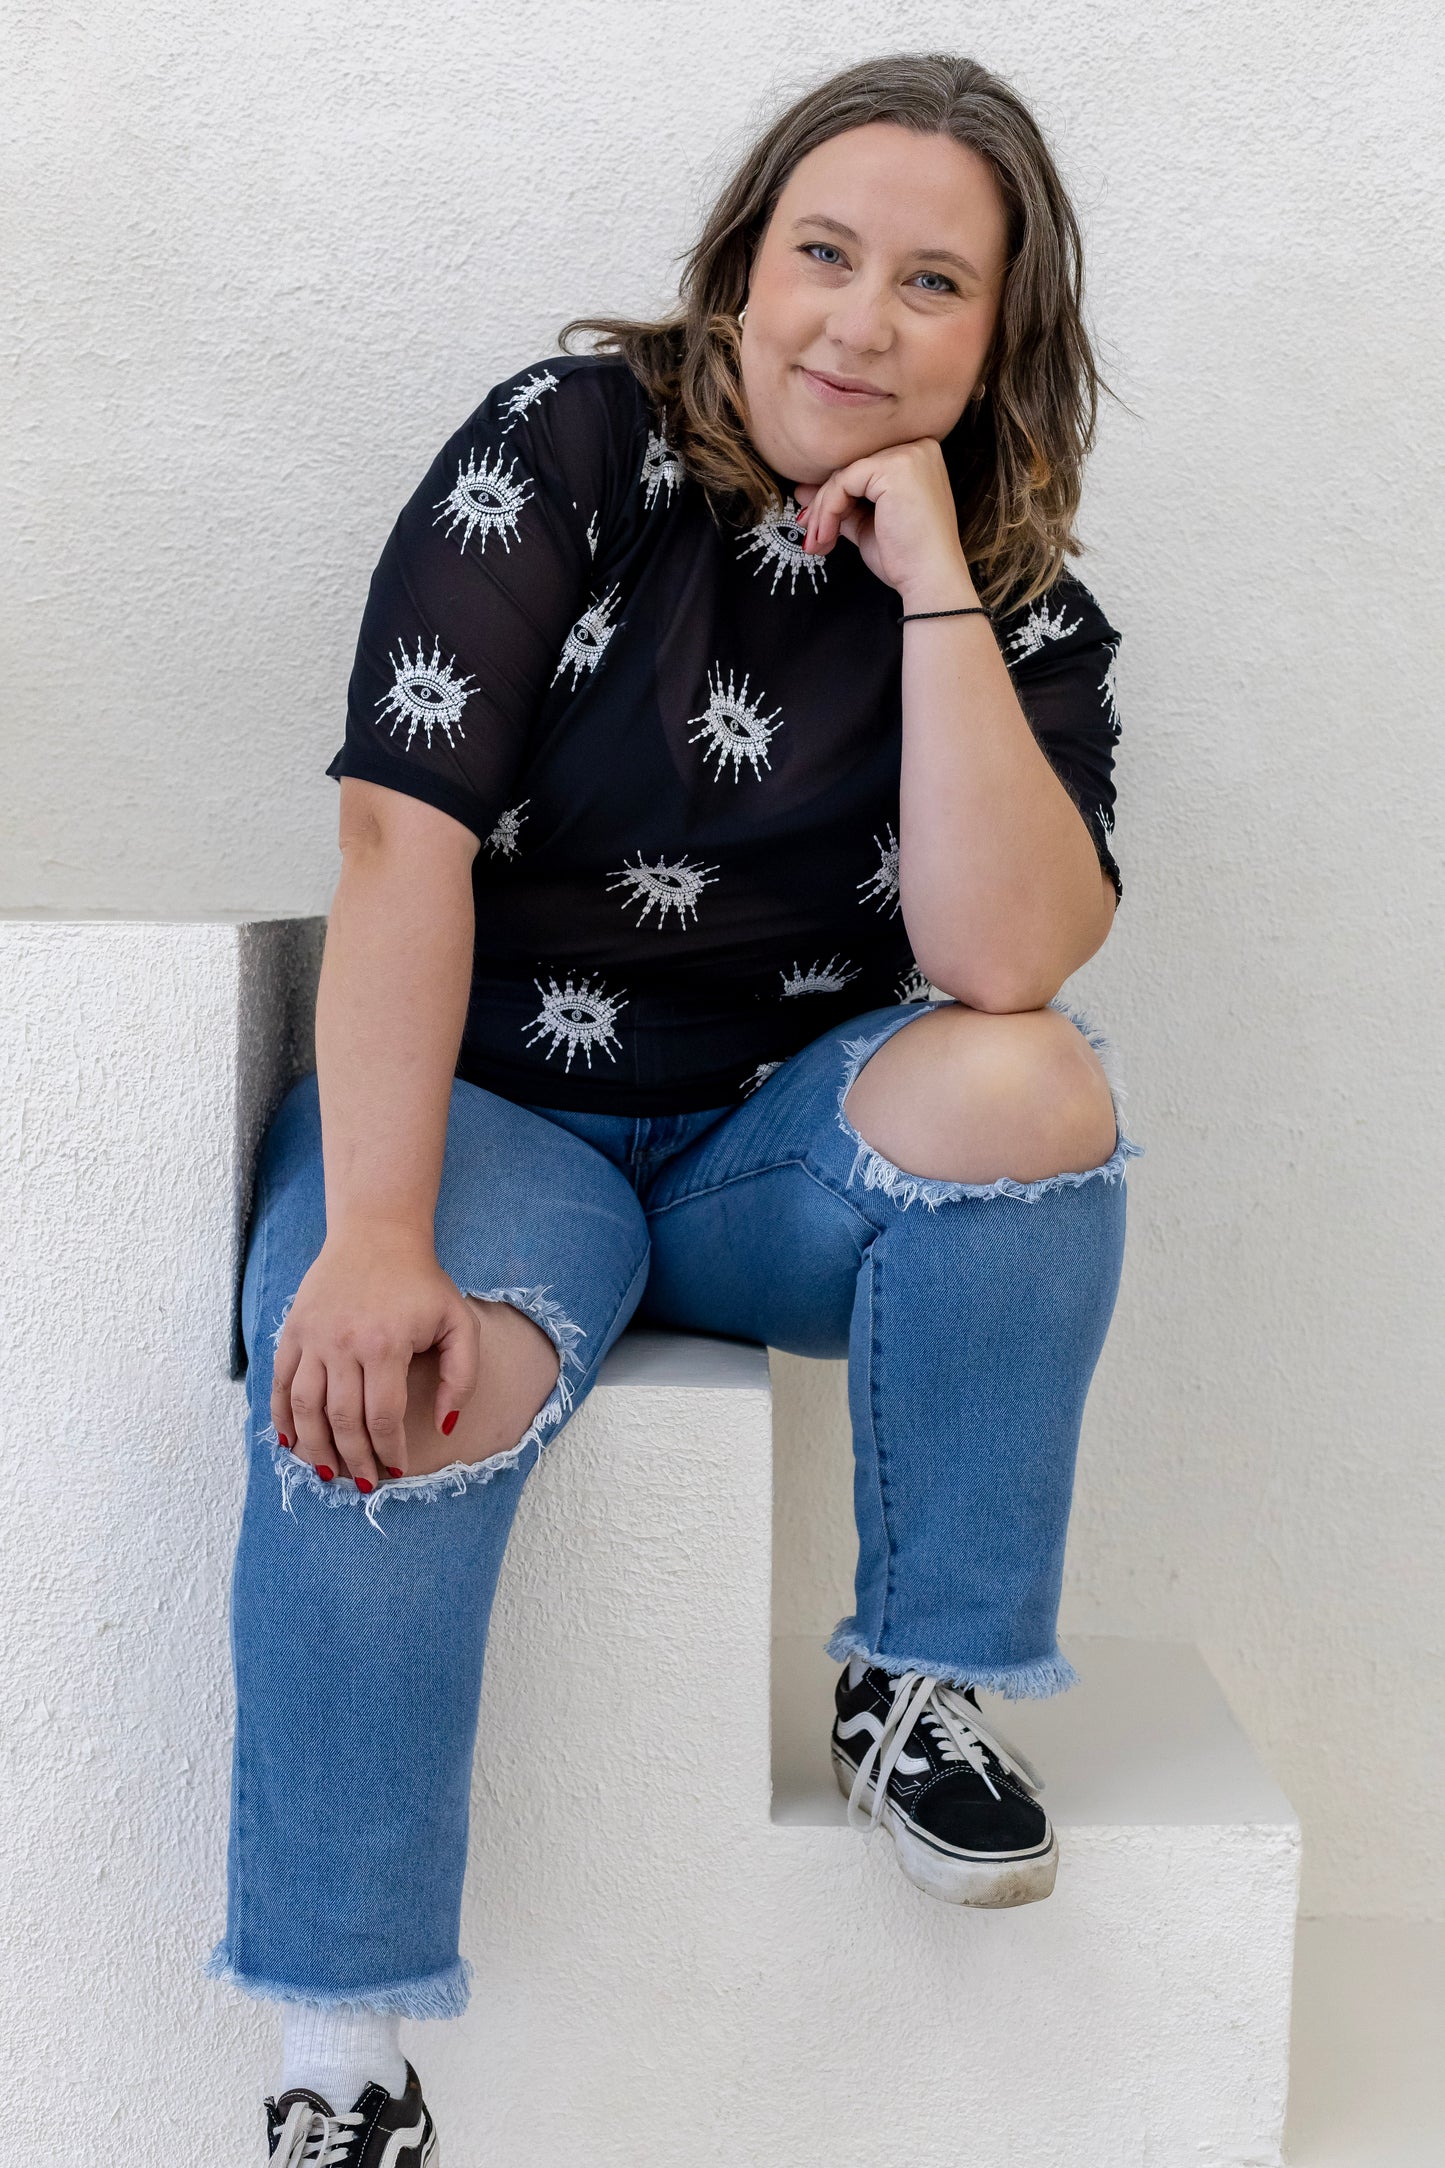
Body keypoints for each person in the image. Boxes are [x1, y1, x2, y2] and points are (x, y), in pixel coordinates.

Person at [209, 50, 1144, 2165]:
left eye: (932, 284)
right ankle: (340, 2060)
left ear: (1002, 343)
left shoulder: (1021, 612)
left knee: (1042, 1084)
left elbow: (1010, 966)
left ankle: (919, 1676)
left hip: (754, 1157)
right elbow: (401, 842)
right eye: (824, 253)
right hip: (494, 1111)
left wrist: (929, 592)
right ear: (742, 265)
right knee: (393, 1391)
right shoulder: (575, 447)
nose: (858, 319)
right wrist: (372, 1237)